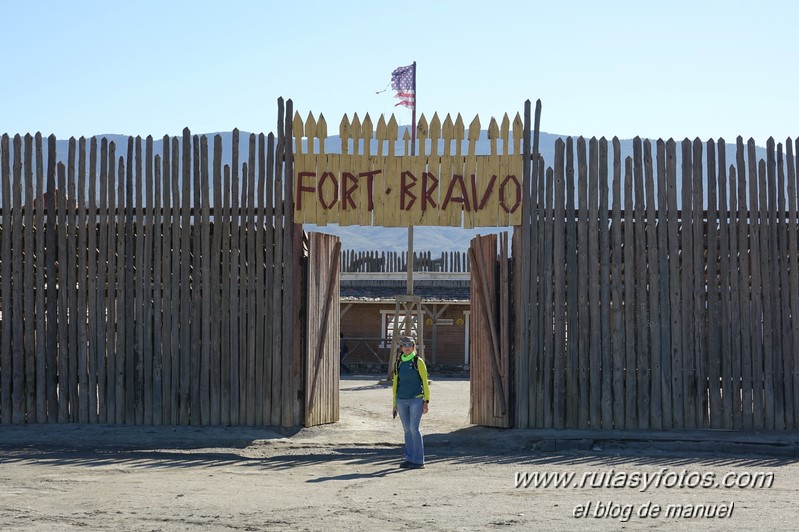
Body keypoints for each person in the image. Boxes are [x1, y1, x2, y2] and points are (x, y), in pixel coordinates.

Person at [392, 335, 430, 469]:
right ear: (401, 348)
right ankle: (409, 458)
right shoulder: (399, 362)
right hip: (401, 400)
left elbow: (425, 381)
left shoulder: (418, 361)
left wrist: (426, 400)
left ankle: (419, 460)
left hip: (416, 399)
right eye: (404, 345)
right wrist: (394, 403)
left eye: (410, 345)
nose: (407, 348)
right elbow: (396, 382)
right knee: (407, 430)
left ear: (414, 347)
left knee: (414, 429)